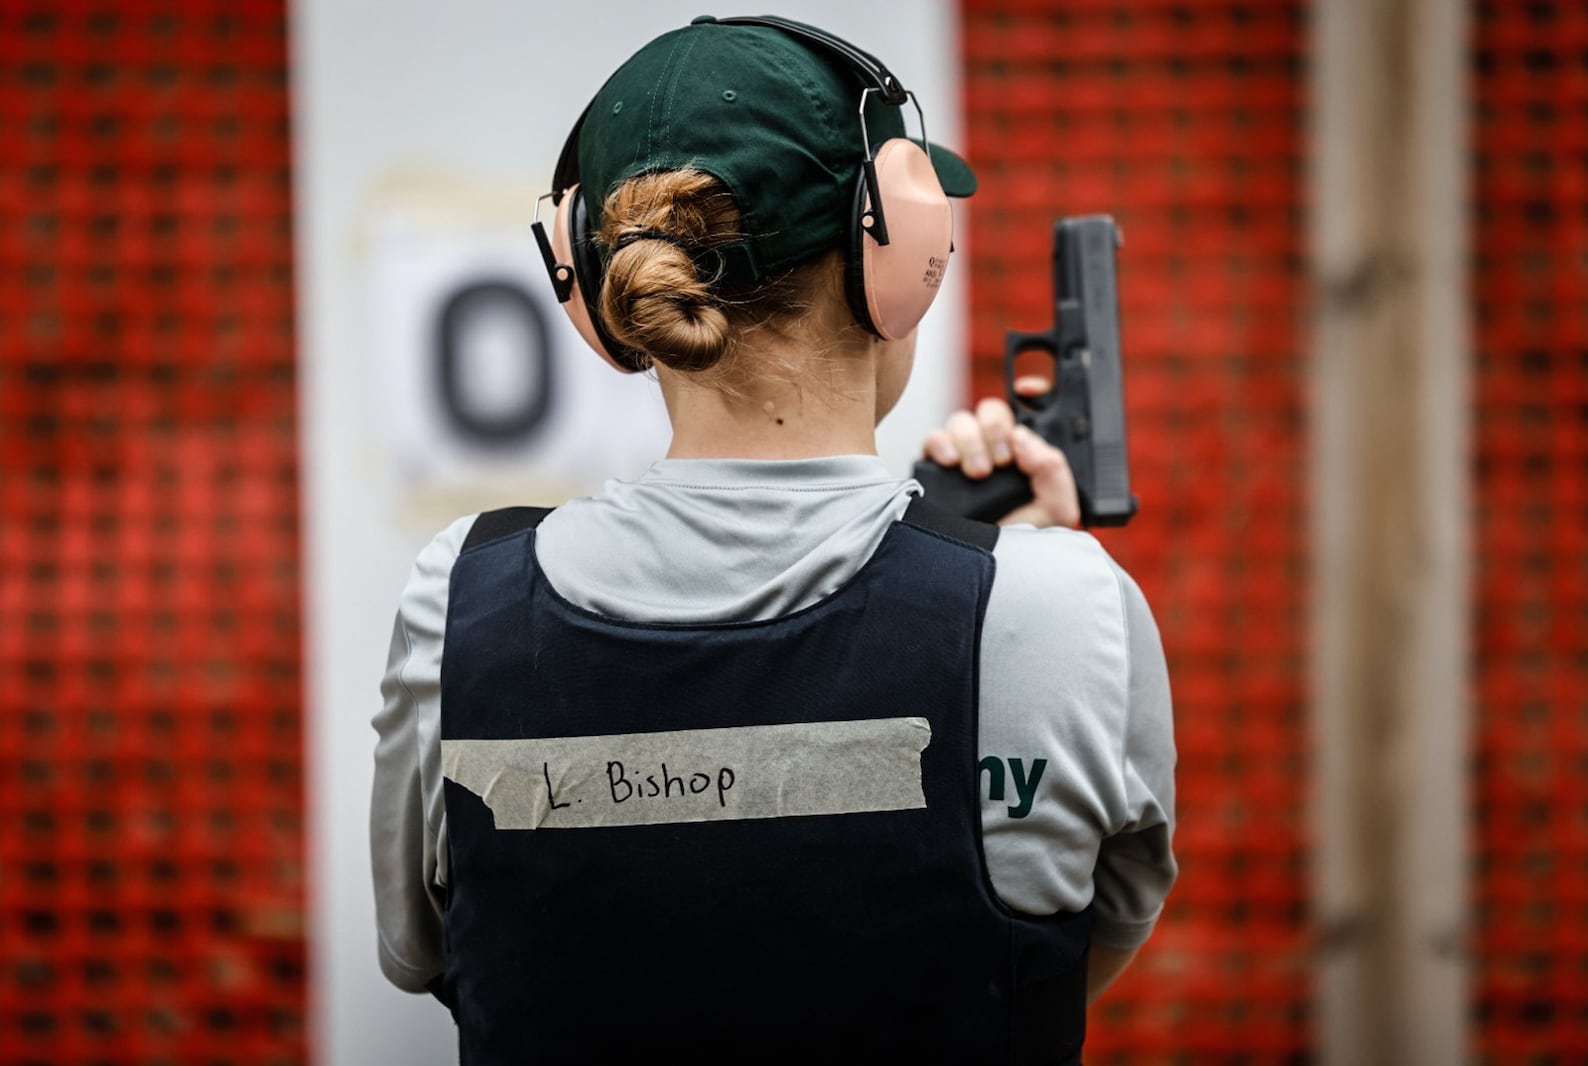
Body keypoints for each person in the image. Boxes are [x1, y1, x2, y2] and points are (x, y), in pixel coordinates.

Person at [370, 15, 1175, 1065]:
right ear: (900, 250)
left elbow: (424, 950)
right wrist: (1016, 576)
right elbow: (1057, 958)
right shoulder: (1061, 609)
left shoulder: (457, 606)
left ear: (594, 282)